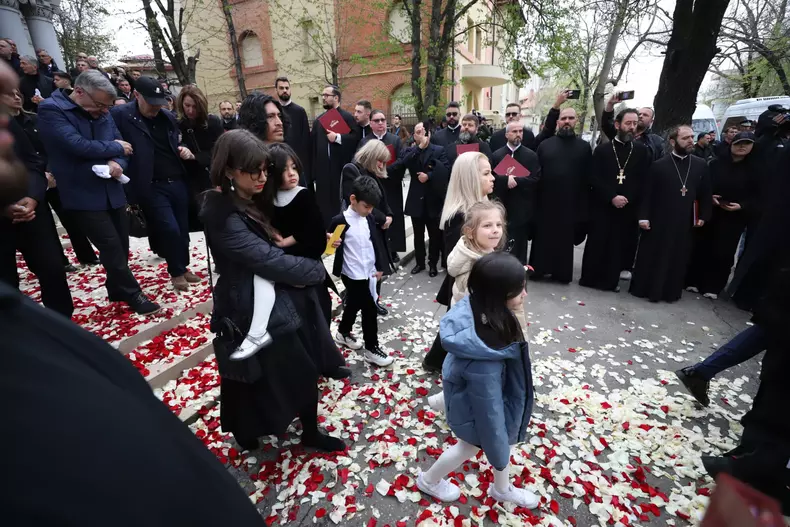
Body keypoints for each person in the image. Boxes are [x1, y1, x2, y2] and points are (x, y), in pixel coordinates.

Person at [200, 129, 345, 453]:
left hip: (277, 297)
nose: (264, 177)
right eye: (255, 171)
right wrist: (314, 271)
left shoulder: (250, 198)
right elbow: (269, 260)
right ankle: (245, 430)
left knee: (301, 369)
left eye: (266, 170)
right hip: (247, 306)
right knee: (248, 378)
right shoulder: (223, 214)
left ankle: (308, 430)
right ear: (229, 171)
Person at [416, 252, 538, 509]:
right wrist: (498, 452)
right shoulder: (486, 356)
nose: (525, 295)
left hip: (475, 398)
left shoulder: (478, 308)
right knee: (469, 448)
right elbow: (489, 410)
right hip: (478, 411)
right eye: (520, 290)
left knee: (495, 444)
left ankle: (502, 487)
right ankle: (429, 480)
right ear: (499, 296)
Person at [37, 70, 160, 314]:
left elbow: (123, 147)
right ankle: (133, 293)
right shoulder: (52, 110)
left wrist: (117, 163)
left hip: (112, 189)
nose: (105, 111)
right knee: (110, 245)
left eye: (107, 106)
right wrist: (113, 148)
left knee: (121, 245)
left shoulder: (103, 112)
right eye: (100, 105)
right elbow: (76, 145)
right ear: (79, 92)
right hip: (81, 192)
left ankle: (116, 288)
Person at [261, 142, 350, 379]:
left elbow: (311, 233)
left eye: (294, 167)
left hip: (304, 265)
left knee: (319, 313)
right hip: (291, 269)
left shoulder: (301, 194)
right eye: (284, 169)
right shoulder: (268, 198)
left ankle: (324, 363)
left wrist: (284, 242)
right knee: (305, 320)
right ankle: (313, 366)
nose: (291, 173)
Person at [111, 76, 201, 293]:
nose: (155, 108)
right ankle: (176, 272)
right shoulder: (121, 116)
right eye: (151, 103)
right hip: (150, 183)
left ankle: (182, 265)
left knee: (182, 228)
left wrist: (182, 149)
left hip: (176, 179)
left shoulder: (167, 116)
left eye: (159, 103)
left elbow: (176, 139)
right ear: (136, 95)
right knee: (168, 228)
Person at [0, 87, 74, 317]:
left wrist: (32, 196)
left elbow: (32, 162)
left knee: (52, 268)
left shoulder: (5, 121)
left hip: (29, 207)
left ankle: (63, 323)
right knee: (6, 280)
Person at [7, 88, 98, 269]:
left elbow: (51, 145)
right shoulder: (6, 127)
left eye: (19, 94)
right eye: (11, 95)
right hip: (29, 182)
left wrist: (49, 170)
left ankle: (86, 255)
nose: (16, 98)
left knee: (70, 218)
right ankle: (60, 262)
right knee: (46, 224)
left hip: (51, 176)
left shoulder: (34, 119)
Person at [423, 151, 495, 372]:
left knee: (454, 324)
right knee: (457, 325)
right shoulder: (461, 217)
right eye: (486, 173)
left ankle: (435, 361)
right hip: (467, 287)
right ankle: (439, 362)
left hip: (473, 287)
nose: (493, 177)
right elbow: (457, 262)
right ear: (471, 179)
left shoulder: (479, 210)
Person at [630, 125, 712, 302]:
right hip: (659, 220)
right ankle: (646, 289)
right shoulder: (659, 165)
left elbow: (705, 193)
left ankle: (669, 292)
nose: (690, 141)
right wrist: (643, 217)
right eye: (685, 138)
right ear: (673, 141)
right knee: (653, 255)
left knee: (678, 257)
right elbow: (647, 194)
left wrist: (704, 216)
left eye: (692, 137)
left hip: (684, 222)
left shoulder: (700, 165)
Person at [580, 108, 651, 291]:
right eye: (628, 123)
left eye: (635, 124)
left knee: (617, 245)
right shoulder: (603, 150)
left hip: (627, 208)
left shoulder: (642, 151)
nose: (632, 127)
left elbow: (643, 180)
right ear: (618, 125)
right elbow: (593, 177)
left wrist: (627, 198)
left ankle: (609, 281)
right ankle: (590, 279)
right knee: (598, 242)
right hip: (603, 206)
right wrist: (612, 196)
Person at [329, 176, 396, 367]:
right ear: (353, 200)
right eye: (366, 206)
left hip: (368, 270)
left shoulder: (369, 218)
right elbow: (328, 247)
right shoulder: (339, 220)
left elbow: (375, 243)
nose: (369, 210)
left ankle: (342, 332)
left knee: (354, 304)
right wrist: (330, 243)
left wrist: (380, 268)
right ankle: (371, 348)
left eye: (371, 207)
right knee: (369, 307)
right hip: (351, 273)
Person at [686, 132, 756, 299]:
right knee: (702, 246)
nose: (742, 147)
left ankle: (713, 286)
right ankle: (693, 281)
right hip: (712, 211)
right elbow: (704, 184)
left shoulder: (756, 170)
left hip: (734, 216)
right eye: (738, 143)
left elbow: (759, 196)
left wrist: (742, 205)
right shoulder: (716, 164)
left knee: (723, 251)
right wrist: (709, 197)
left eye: (747, 143)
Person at [528, 107, 592, 284]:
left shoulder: (584, 147)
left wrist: (582, 207)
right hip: (546, 202)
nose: (567, 121)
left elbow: (587, 179)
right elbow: (537, 174)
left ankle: (561, 273)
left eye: (571, 118)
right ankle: (539, 270)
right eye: (563, 118)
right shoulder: (545, 145)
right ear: (557, 122)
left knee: (564, 241)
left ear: (576, 121)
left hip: (570, 203)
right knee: (543, 239)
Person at [341, 139, 395, 317]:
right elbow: (356, 200)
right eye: (380, 160)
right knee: (358, 267)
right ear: (371, 156)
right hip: (359, 226)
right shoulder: (352, 169)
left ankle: (374, 300)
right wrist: (383, 218)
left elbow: (382, 199)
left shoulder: (372, 172)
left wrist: (389, 215)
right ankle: (356, 300)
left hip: (374, 226)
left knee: (375, 265)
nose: (382, 165)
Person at [359, 109, 407, 261]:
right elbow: (360, 162)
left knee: (393, 216)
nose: (380, 123)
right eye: (376, 120)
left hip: (391, 185)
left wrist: (385, 170)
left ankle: (393, 250)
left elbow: (402, 160)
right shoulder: (365, 141)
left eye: (382, 120)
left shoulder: (395, 140)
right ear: (371, 123)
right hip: (372, 186)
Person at [404, 121, 450, 276]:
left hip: (433, 199)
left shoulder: (439, 150)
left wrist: (429, 176)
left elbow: (445, 171)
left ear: (429, 133)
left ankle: (432, 264)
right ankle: (419, 263)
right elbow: (405, 162)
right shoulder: (411, 150)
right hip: (416, 199)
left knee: (434, 235)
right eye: (417, 131)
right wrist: (419, 148)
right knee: (418, 235)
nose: (421, 134)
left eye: (423, 131)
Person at [491, 120, 541, 265]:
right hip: (502, 206)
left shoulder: (531, 155)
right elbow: (491, 178)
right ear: (507, 134)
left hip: (522, 207)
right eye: (514, 131)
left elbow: (536, 178)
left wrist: (517, 180)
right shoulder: (497, 155)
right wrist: (505, 180)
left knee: (519, 247)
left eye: (520, 131)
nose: (518, 134)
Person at [310, 84, 360, 226]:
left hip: (340, 171)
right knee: (324, 207)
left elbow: (356, 139)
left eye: (326, 95)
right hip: (323, 174)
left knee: (340, 206)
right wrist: (314, 172)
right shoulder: (319, 121)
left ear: (336, 97)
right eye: (323, 95)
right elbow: (313, 147)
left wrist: (338, 137)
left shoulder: (347, 118)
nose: (323, 98)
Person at [176, 85, 224, 232]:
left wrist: (195, 156)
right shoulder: (178, 124)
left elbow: (219, 151)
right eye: (187, 106)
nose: (190, 110)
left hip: (209, 175)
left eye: (194, 106)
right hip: (188, 178)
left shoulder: (213, 122)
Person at [601, 96, 664, 160]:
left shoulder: (657, 141)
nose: (641, 116)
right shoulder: (622, 132)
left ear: (651, 121)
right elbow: (607, 124)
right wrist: (610, 104)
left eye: (645, 115)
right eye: (639, 114)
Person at [275, 77, 311, 184]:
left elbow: (305, 139)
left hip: (297, 161)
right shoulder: (275, 111)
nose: (285, 90)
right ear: (276, 90)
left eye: (287, 88)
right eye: (281, 88)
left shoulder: (299, 111)